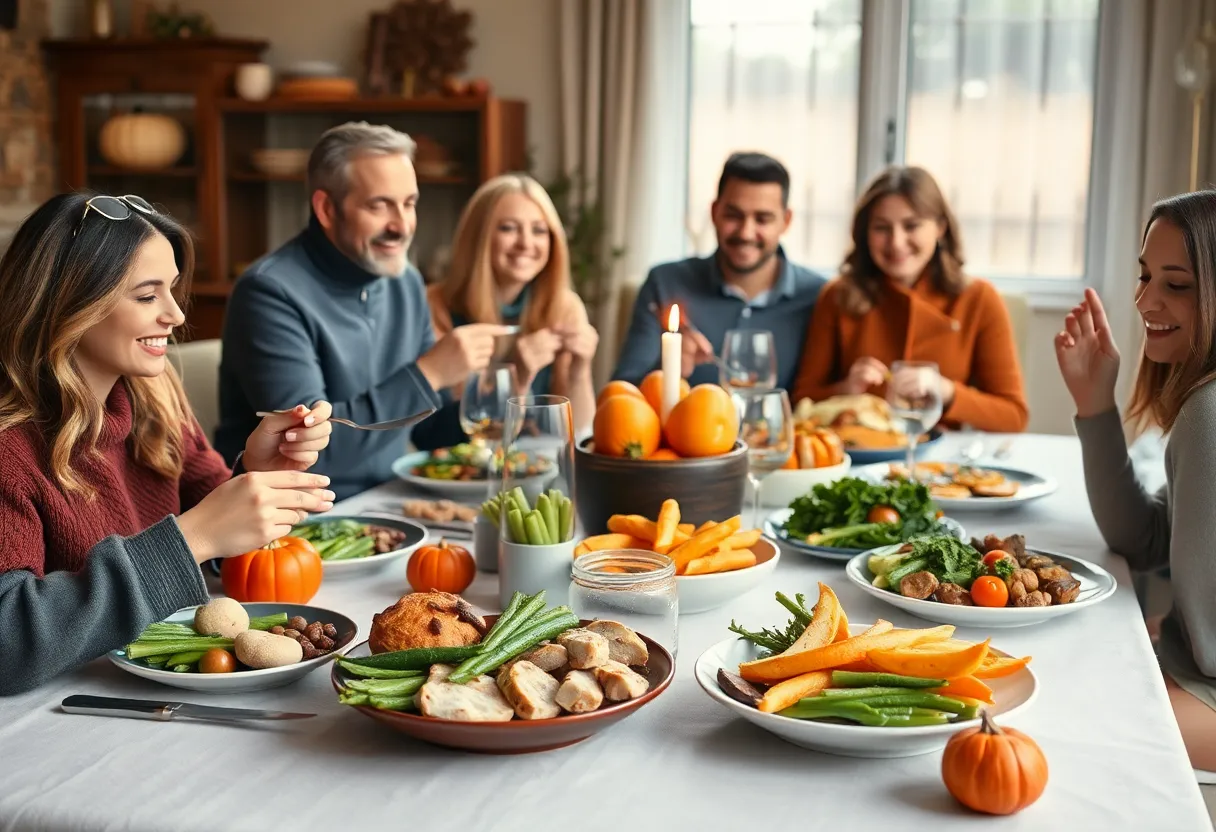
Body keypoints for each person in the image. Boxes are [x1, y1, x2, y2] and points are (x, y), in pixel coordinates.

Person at [0, 192, 336, 695]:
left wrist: (256, 478)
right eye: (146, 295)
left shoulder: (153, 395)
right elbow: (8, 642)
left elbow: (212, 534)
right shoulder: (10, 448)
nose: (176, 315)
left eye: (173, 290)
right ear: (69, 303)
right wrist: (192, 538)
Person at [216, 122, 510, 501]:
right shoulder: (269, 292)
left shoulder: (405, 281)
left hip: (390, 502)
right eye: (379, 205)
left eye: (409, 203)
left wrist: (499, 397)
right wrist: (431, 372)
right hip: (293, 519)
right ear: (326, 208)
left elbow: (425, 433)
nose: (402, 225)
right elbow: (311, 458)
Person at [1057, 190, 1216, 773]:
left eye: (1177, 284)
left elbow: (1210, 644)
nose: (1145, 299)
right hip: (1197, 671)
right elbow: (1148, 539)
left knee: (1058, 707)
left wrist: (1154, 631)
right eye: (1146, 276)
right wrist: (1094, 405)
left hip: (1206, 686)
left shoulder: (1210, 413)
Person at [791, 166, 1028, 433]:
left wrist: (946, 390)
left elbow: (1013, 416)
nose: (896, 242)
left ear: (940, 227)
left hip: (940, 463)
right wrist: (846, 389)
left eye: (911, 225)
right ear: (864, 233)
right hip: (857, 458)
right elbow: (801, 401)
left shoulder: (979, 299)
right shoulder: (836, 296)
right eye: (882, 228)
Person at [612, 152, 826, 391]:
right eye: (733, 216)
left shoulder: (819, 297)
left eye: (762, 219)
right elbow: (621, 395)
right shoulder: (665, 283)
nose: (745, 232)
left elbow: (823, 401)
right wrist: (666, 369)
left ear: (786, 221)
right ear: (714, 212)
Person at [427, 173, 598, 432]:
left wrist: (580, 371)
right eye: (508, 228)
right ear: (478, 237)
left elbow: (576, 429)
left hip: (540, 464)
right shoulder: (433, 305)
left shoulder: (564, 306)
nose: (526, 243)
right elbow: (444, 433)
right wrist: (516, 377)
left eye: (539, 230)